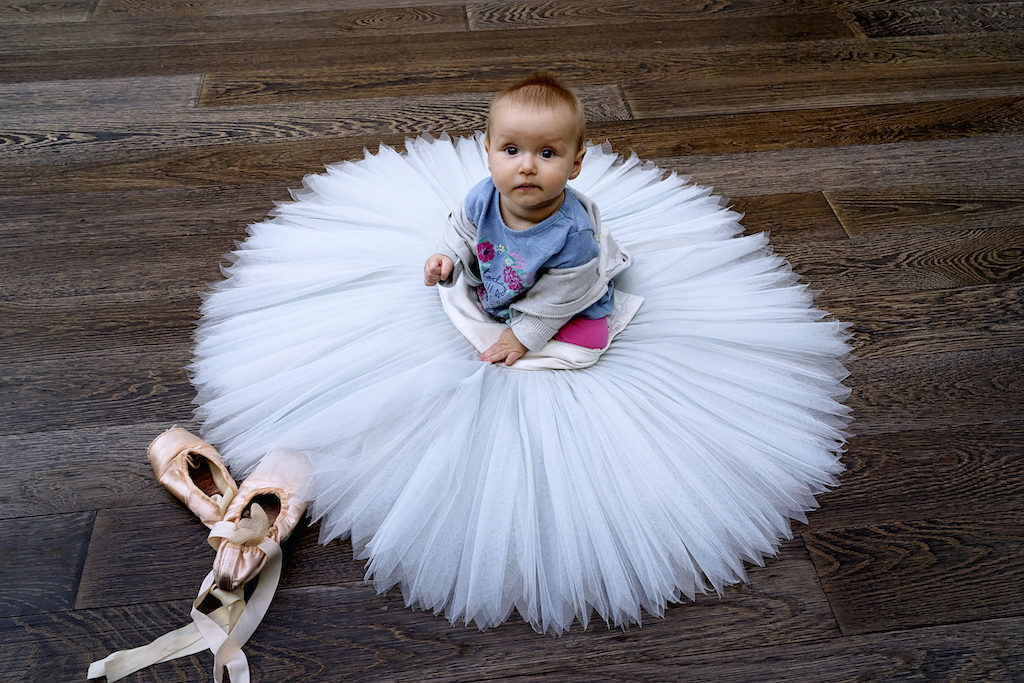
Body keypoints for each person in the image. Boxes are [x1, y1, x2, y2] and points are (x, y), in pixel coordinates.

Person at [423, 72, 624, 366]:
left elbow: (563, 293)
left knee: (589, 343)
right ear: (489, 152)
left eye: (547, 153)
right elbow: (462, 227)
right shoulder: (484, 196)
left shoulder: (573, 232)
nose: (527, 166)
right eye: (512, 150)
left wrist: (523, 334)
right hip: (508, 279)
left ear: (575, 163)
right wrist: (448, 255)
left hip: (564, 296)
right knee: (464, 298)